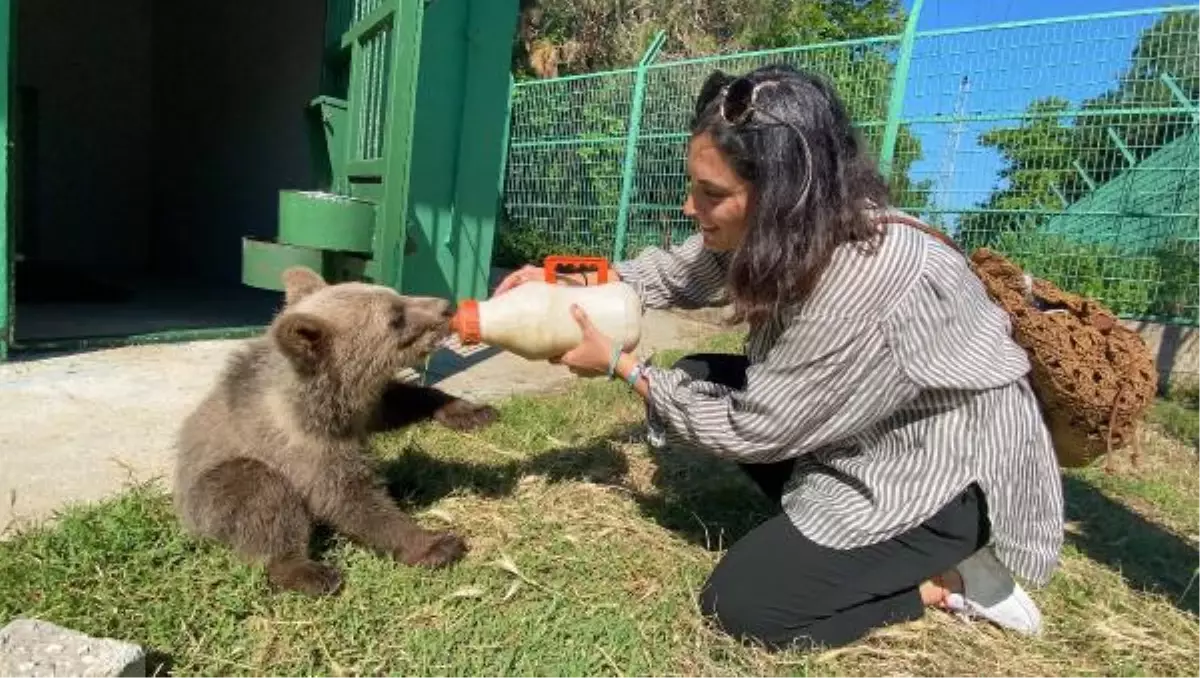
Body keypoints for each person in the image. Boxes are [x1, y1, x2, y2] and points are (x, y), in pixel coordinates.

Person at [494, 64, 1064, 651]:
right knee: (699, 379)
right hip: (866, 436)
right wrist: (573, 281)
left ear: (785, 193)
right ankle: (838, 539)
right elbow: (682, 270)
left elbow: (755, 427)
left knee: (744, 606)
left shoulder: (869, 278)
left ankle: (948, 581)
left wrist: (623, 367)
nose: (691, 208)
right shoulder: (799, 227)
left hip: (936, 479)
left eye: (713, 194)